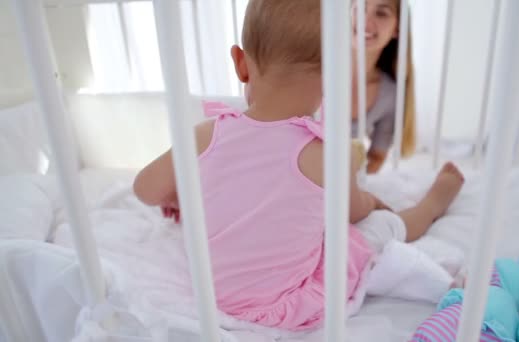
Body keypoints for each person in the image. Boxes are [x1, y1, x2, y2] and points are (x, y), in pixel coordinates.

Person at [133, 0, 463, 332]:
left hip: (216, 300)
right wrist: (371, 201)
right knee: (379, 227)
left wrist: (183, 198)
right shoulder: (325, 153)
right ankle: (433, 203)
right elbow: (353, 213)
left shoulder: (206, 134)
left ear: (241, 64)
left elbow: (145, 189)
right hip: (290, 305)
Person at [351, 0, 416, 173]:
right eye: (358, 9)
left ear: (397, 29)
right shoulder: (308, 71)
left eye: (381, 13)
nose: (365, 21)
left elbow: (376, 159)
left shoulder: (390, 94)